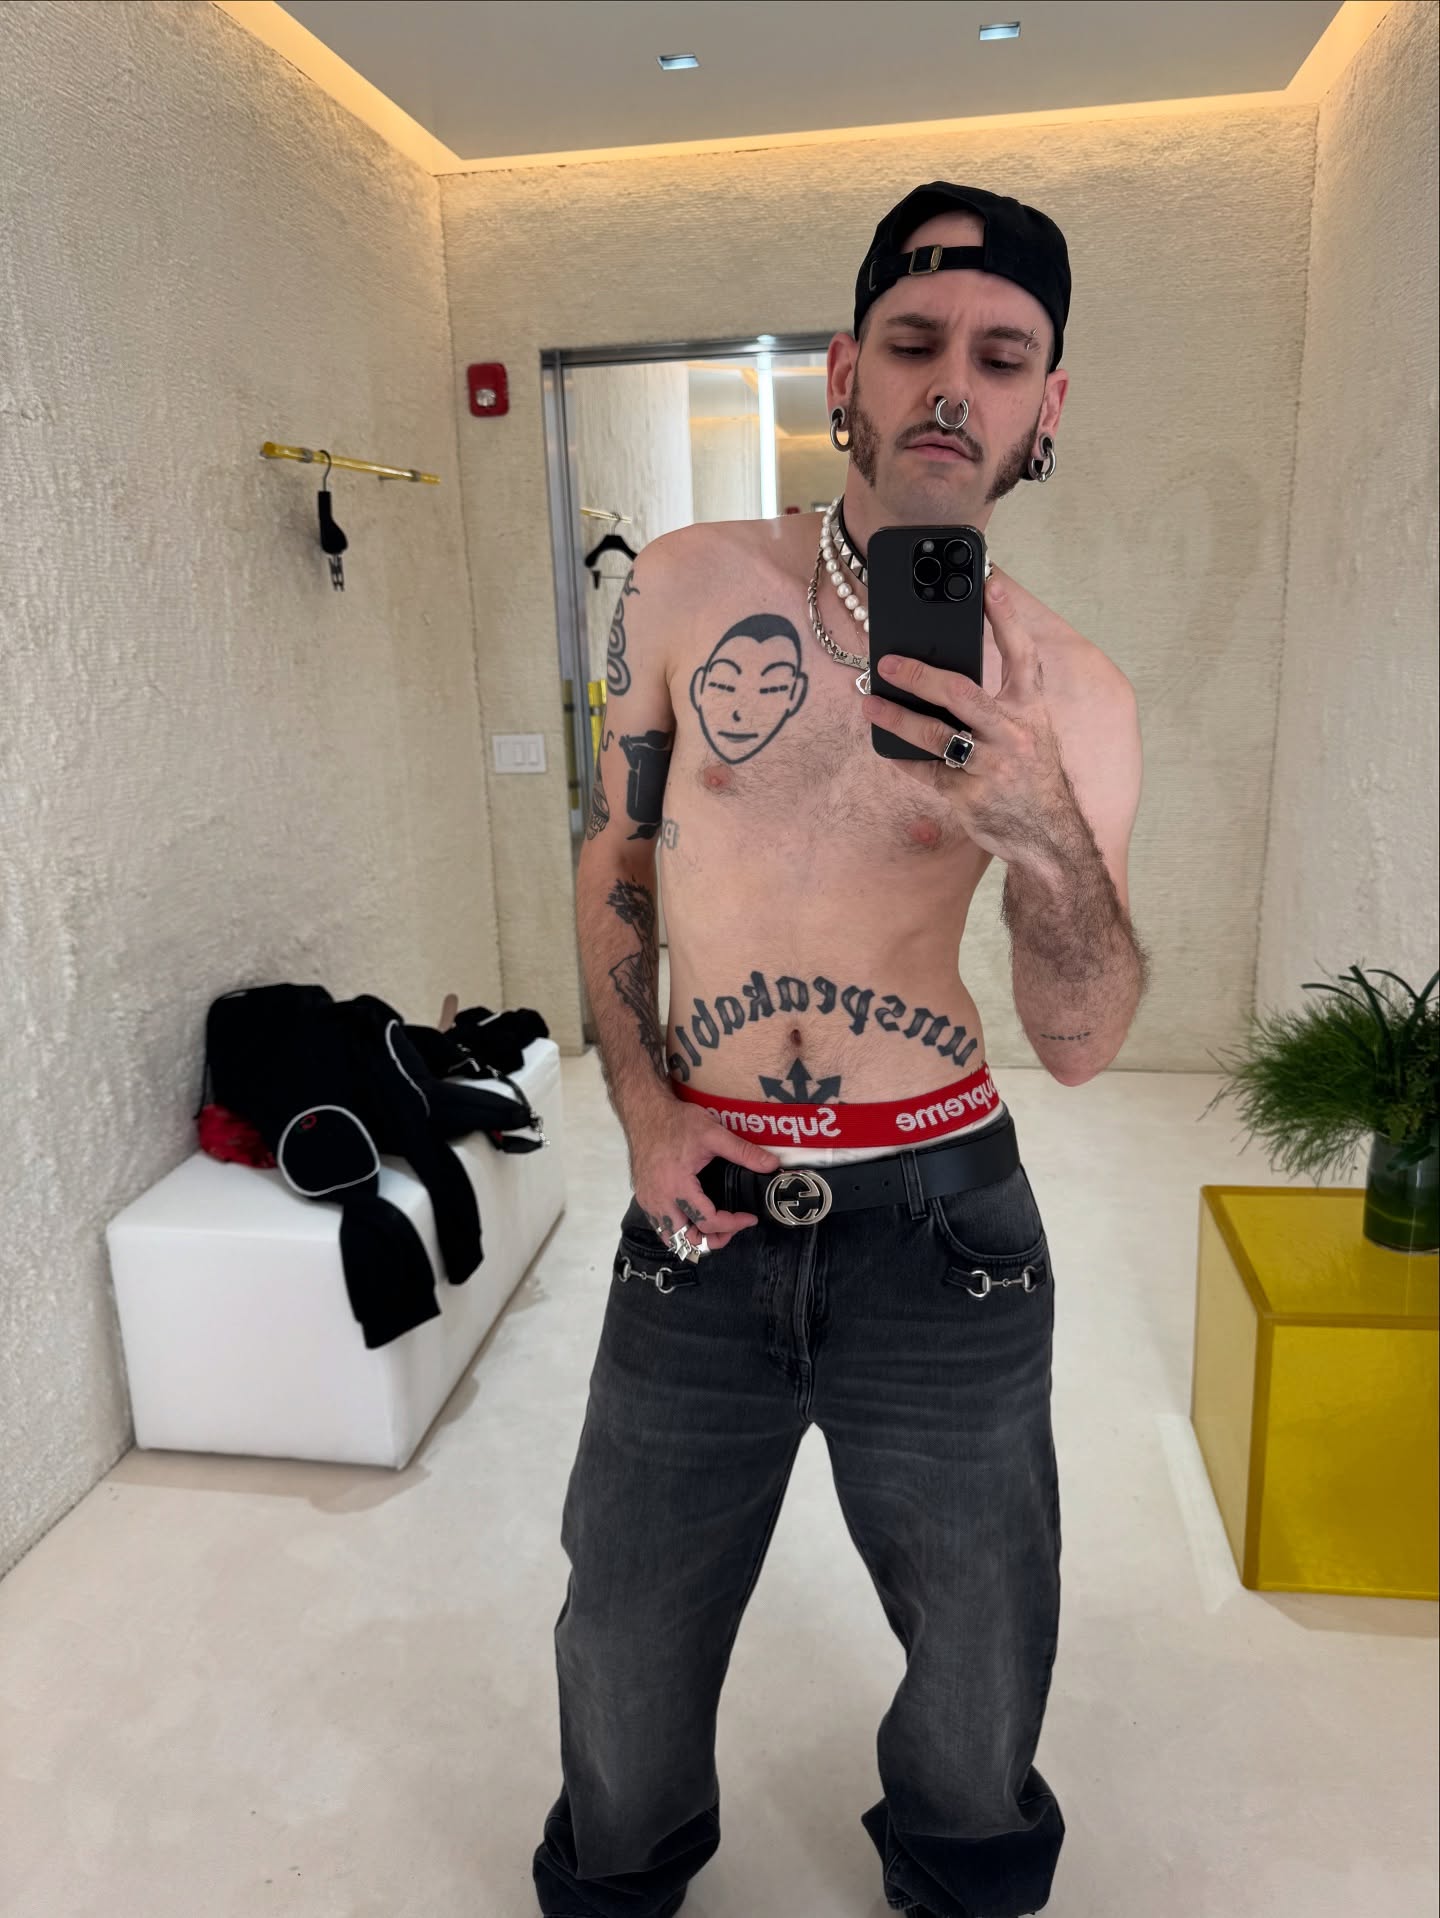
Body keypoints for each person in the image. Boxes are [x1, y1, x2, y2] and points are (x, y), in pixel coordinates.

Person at [534, 182, 1149, 1918]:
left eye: (1003, 356)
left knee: (980, 1653)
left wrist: (1042, 828)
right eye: (915, 340)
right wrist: (642, 1110)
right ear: (843, 375)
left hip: (943, 1225)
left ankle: (962, 1883)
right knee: (622, 1630)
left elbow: (1082, 1040)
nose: (954, 382)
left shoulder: (1073, 695)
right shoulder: (685, 585)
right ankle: (621, 1885)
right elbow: (616, 850)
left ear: (1046, 406)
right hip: (699, 1198)